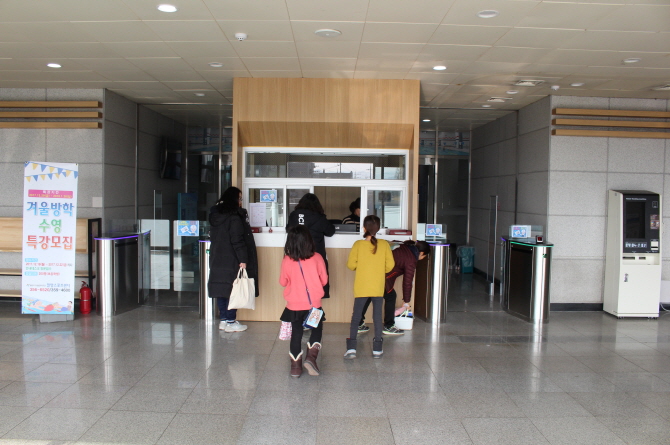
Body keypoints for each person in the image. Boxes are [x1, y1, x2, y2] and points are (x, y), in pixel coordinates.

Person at [279, 225, 328, 378]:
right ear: (308, 240)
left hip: (294, 305)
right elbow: (324, 281)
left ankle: (295, 368)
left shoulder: (287, 260)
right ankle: (311, 359)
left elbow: (282, 282)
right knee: (316, 329)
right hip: (314, 305)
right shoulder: (317, 257)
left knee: (296, 334)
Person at [208, 186, 258, 332]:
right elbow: (237, 240)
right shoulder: (234, 217)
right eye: (240, 198)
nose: (241, 201)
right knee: (232, 290)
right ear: (233, 199)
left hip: (217, 258)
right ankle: (231, 321)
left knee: (221, 289)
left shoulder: (215, 215)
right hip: (232, 258)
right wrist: (243, 259)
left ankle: (224, 321)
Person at [344, 215, 395, 359]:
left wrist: (361, 267)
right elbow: (390, 265)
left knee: (356, 317)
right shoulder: (384, 244)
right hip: (377, 286)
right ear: (378, 229)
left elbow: (351, 265)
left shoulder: (358, 245)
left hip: (361, 286)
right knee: (377, 317)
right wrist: (378, 270)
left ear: (364, 228)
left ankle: (351, 349)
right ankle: (377, 349)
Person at [358, 240, 431, 335]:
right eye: (424, 256)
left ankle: (358, 324)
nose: (422, 258)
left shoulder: (404, 247)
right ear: (421, 253)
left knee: (369, 295)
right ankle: (389, 326)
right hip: (380, 276)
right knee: (391, 296)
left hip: (369, 270)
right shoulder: (411, 259)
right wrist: (406, 300)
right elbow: (407, 282)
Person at [287, 193, 335, 298]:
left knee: (298, 284)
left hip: (296, 254)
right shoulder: (319, 217)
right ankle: (314, 305)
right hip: (315, 255)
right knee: (315, 283)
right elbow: (330, 231)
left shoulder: (294, 215)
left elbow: (288, 229)